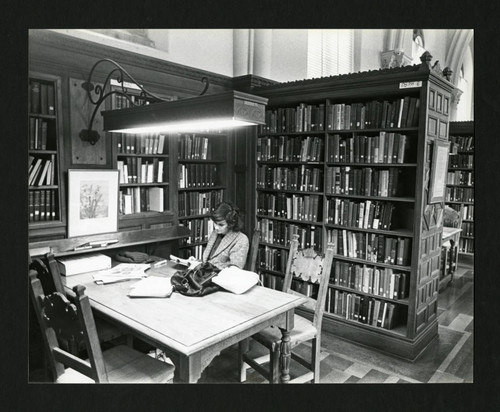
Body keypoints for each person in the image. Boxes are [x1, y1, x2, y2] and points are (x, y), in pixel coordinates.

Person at [187, 202, 249, 270]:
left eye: (221, 225)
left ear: (231, 223)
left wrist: (208, 267)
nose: (216, 227)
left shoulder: (241, 239)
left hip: (222, 278)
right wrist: (197, 262)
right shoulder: (215, 233)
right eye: (215, 223)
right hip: (206, 275)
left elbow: (234, 269)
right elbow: (210, 260)